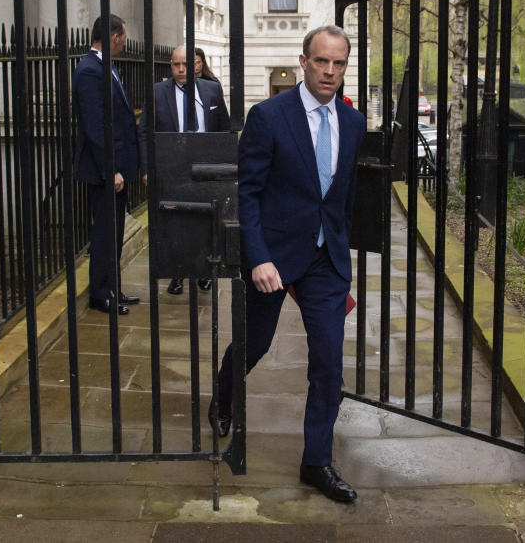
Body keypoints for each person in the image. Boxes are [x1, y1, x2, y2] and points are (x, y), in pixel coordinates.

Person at [212, 25, 366, 503]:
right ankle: (223, 397)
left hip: (325, 261)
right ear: (303, 61)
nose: (330, 71)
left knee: (328, 365)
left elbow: (343, 196)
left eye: (338, 63)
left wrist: (341, 251)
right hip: (274, 258)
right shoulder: (269, 117)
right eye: (321, 61)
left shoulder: (353, 122)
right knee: (254, 344)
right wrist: (256, 257)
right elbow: (249, 193)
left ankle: (316, 461)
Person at [138, 44, 230, 294]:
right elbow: (145, 131)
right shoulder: (157, 92)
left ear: (196, 65)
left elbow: (223, 127)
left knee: (205, 218)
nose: (180, 69)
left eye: (185, 64)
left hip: (205, 166)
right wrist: (147, 168)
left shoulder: (211, 89)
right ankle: (176, 273)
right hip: (172, 166)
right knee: (174, 220)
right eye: (175, 64)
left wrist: (224, 165)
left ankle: (203, 272)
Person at [72, 13, 140, 315]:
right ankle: (101, 294)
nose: (124, 43)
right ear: (114, 37)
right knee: (103, 235)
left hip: (116, 168)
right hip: (103, 171)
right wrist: (110, 168)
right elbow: (95, 127)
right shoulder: (89, 70)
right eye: (123, 38)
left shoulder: (107, 68)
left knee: (114, 234)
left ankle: (112, 288)